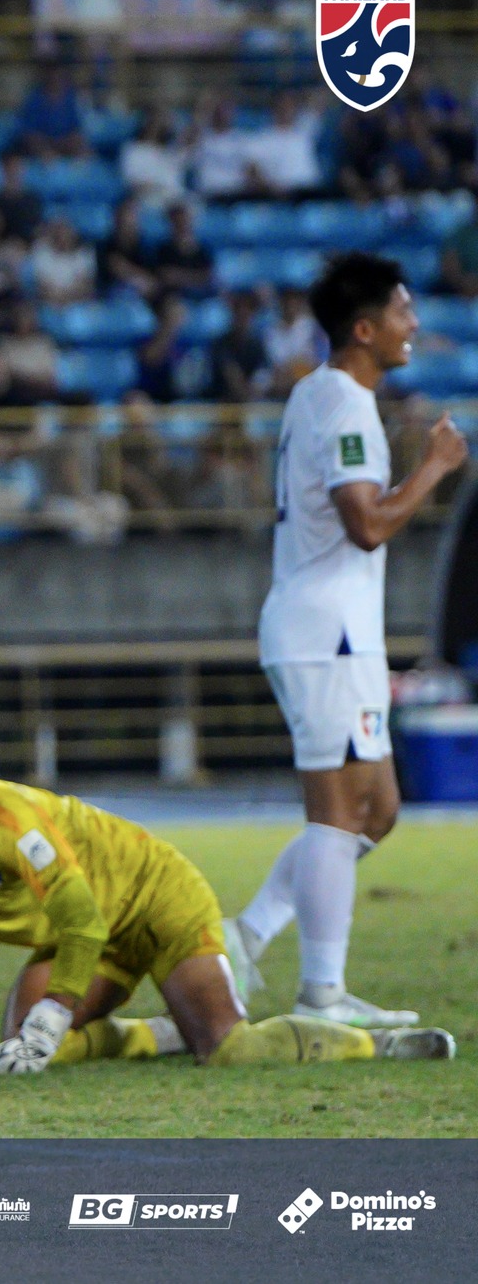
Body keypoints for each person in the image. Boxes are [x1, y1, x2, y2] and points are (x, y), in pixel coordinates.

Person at [0, 716, 454, 1077]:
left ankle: (376, 1046)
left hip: (156, 899)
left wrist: (55, 1009)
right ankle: (157, 1033)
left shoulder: (0, 816)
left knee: (229, 1050)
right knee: (20, 1047)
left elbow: (80, 917)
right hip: (91, 936)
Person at [225, 253, 470, 1028]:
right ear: (364, 329)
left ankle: (246, 934)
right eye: (402, 311)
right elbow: (366, 524)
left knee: (379, 808)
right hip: (323, 631)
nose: (414, 324)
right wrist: (434, 468)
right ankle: (321, 995)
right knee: (338, 814)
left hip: (338, 631)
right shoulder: (342, 403)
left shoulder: (320, 392)